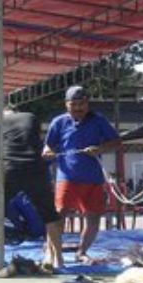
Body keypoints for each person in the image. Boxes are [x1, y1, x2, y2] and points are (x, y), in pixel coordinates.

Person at [0, 112, 64, 273]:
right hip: (35, 167)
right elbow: (36, 143)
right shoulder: (31, 117)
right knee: (50, 215)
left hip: (9, 168)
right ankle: (59, 260)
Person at [43, 85, 121, 264]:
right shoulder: (59, 122)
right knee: (59, 214)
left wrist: (100, 149)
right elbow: (48, 146)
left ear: (88, 104)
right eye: (74, 104)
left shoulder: (98, 120)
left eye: (82, 103)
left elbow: (116, 142)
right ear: (66, 104)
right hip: (67, 176)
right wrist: (48, 152)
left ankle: (82, 251)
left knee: (93, 216)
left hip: (93, 177)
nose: (78, 107)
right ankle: (51, 251)